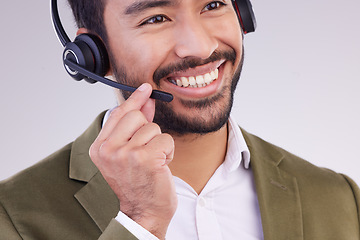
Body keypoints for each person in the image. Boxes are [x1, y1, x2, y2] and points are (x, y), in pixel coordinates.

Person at [0, 0, 359, 239]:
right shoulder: (14, 216)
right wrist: (141, 223)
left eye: (213, 4)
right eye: (156, 18)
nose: (200, 47)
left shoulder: (339, 200)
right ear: (92, 54)